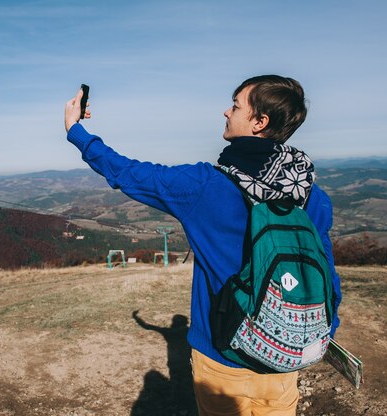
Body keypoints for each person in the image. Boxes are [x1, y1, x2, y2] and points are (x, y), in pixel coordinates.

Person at [64, 75, 342, 416]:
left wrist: (76, 131)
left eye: (236, 106)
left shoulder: (205, 185)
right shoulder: (312, 195)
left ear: (259, 122)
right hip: (283, 358)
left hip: (222, 357)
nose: (226, 112)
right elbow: (327, 277)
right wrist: (318, 332)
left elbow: (130, 173)